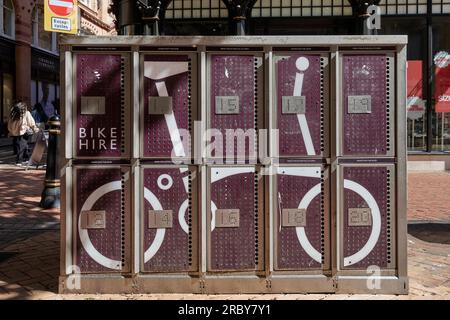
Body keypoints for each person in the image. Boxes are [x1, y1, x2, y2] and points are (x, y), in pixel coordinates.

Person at [7, 102, 39, 166]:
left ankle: (25, 158)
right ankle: (20, 160)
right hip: (22, 132)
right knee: (22, 146)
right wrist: (35, 129)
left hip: (18, 133)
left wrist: (11, 131)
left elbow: (9, 125)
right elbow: (31, 123)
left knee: (22, 145)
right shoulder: (25, 113)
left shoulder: (13, 114)